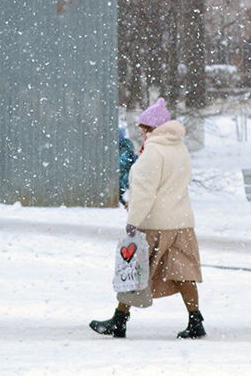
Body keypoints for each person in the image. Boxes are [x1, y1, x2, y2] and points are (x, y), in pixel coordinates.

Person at [90, 98, 206, 339]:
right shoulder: (179, 148)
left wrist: (133, 220)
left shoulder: (153, 151)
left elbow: (144, 191)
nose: (141, 132)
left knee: (134, 270)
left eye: (144, 128)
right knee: (183, 272)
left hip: (156, 223)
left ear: (151, 128)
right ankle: (196, 320)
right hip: (181, 222)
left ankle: (119, 320)